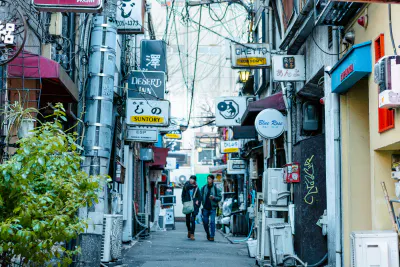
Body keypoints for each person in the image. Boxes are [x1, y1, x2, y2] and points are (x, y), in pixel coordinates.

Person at [201, 174, 222, 241]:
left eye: (209, 179)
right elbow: (200, 196)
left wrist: (214, 198)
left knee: (212, 222)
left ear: (212, 180)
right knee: (205, 222)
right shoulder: (204, 188)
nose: (208, 180)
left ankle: (212, 236)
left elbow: (219, 198)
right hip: (205, 208)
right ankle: (208, 233)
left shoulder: (216, 189)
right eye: (208, 179)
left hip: (213, 208)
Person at [181, 175, 201, 240]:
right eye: (190, 179)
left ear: (195, 180)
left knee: (193, 219)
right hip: (187, 204)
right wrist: (184, 202)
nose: (191, 180)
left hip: (194, 205)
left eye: (192, 179)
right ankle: (189, 230)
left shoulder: (197, 188)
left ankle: (192, 234)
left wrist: (198, 201)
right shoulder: (186, 185)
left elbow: (199, 196)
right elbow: (183, 195)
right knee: (187, 220)